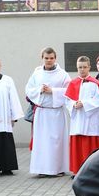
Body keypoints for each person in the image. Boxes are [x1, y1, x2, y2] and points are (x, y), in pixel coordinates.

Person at [26, 47, 71, 178]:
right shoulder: (37, 73)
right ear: (42, 58)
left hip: (56, 112)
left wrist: (53, 91)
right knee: (42, 141)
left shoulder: (63, 74)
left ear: (55, 58)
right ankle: (42, 168)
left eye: (51, 58)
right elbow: (29, 89)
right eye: (46, 58)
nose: (49, 60)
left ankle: (58, 169)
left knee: (56, 141)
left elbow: (69, 91)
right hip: (42, 112)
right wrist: (40, 89)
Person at [66, 56, 99, 175]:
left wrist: (84, 103)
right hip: (77, 119)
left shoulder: (95, 83)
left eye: (84, 67)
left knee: (90, 143)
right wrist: (73, 104)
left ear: (89, 67)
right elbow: (67, 100)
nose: (82, 70)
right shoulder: (72, 83)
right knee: (77, 143)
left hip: (90, 119)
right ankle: (77, 171)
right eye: (79, 67)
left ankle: (92, 171)